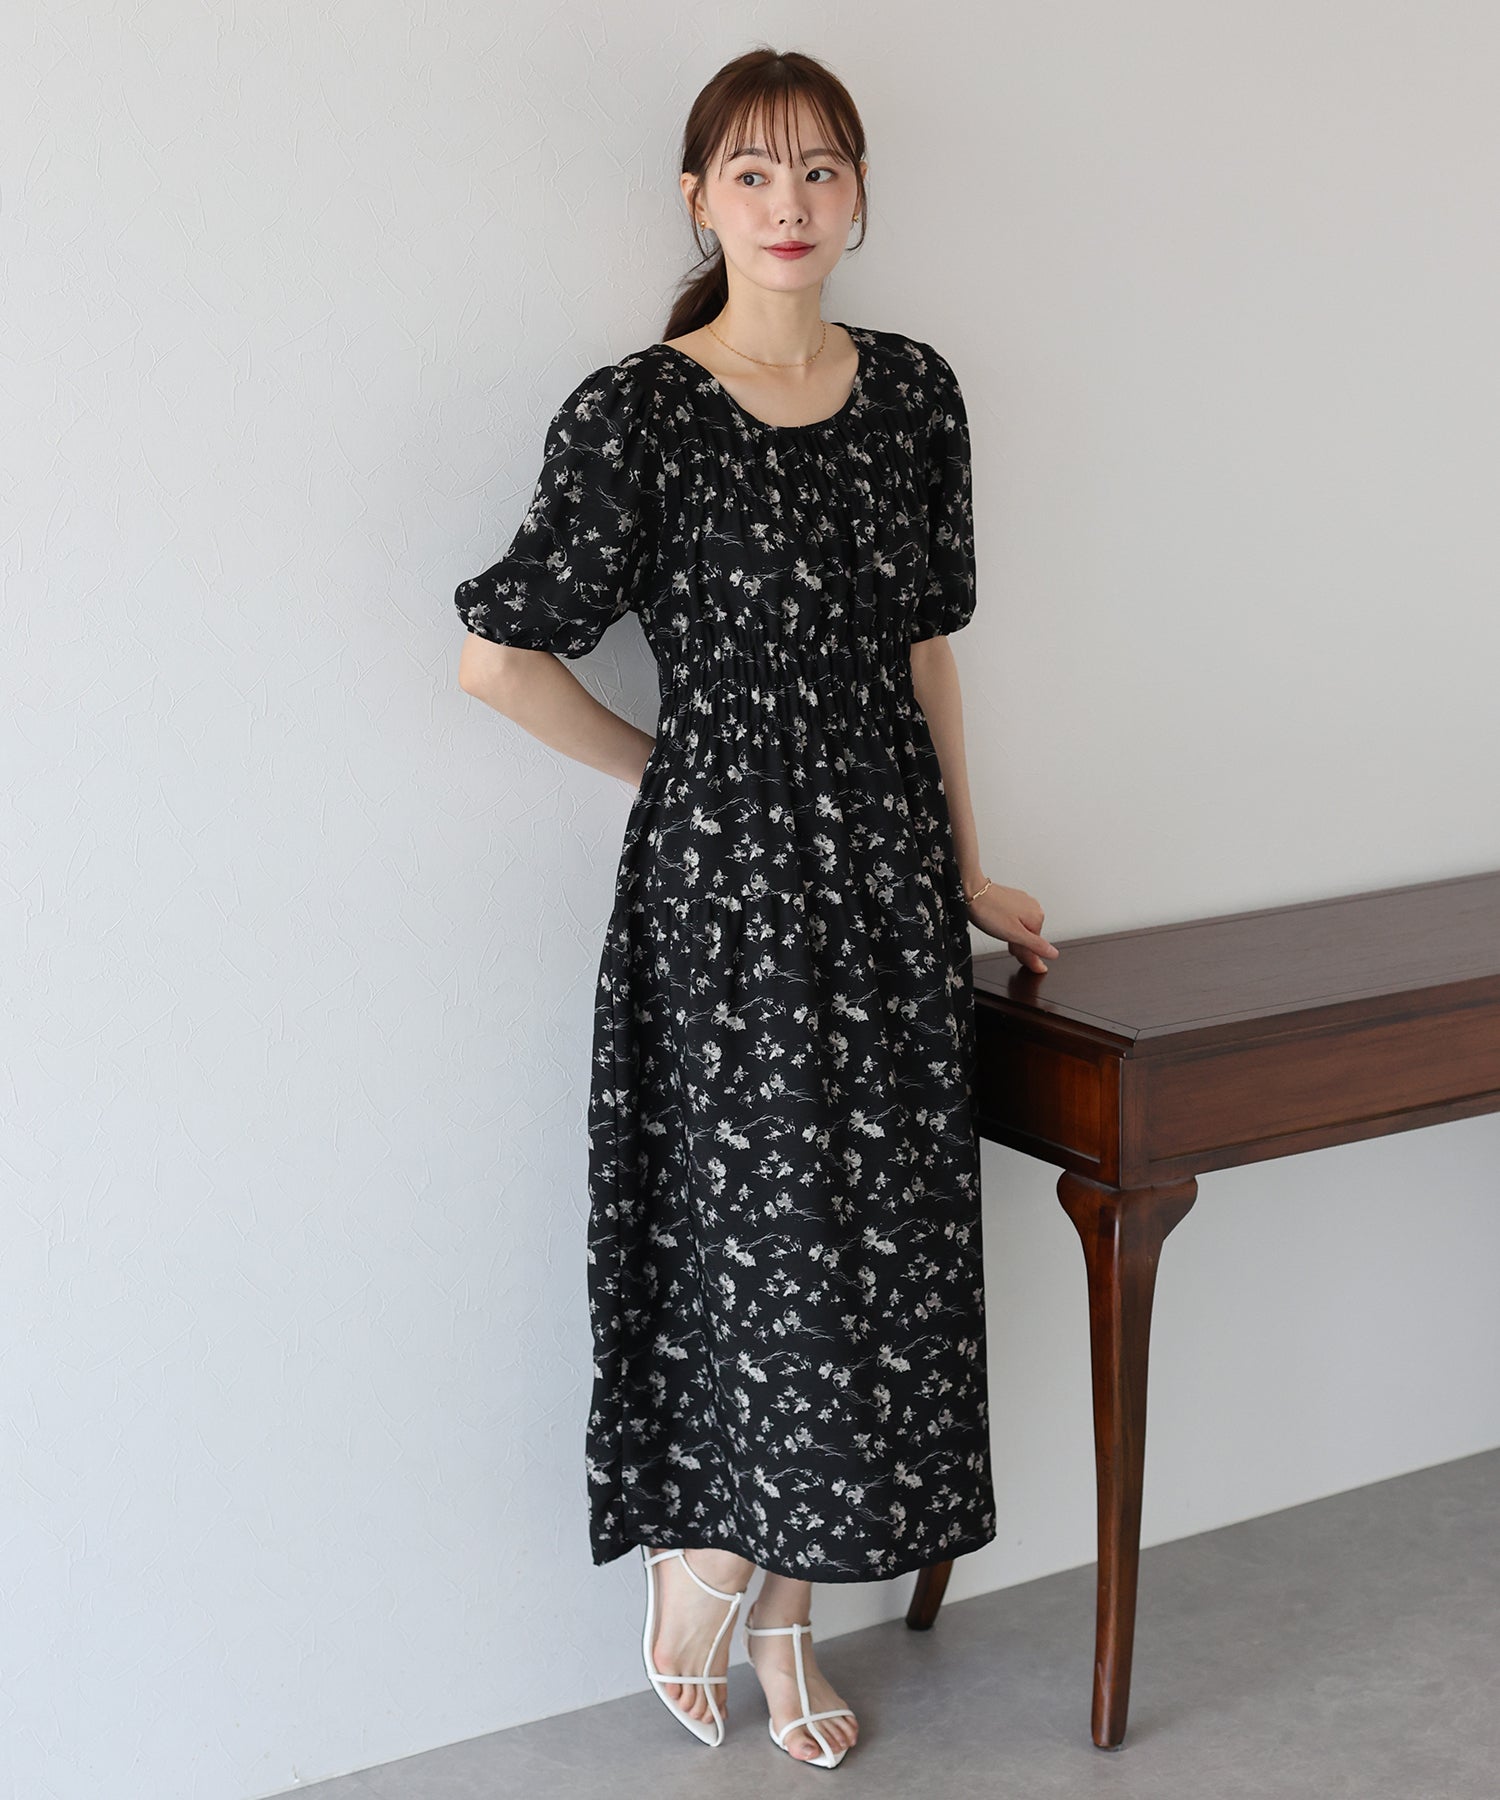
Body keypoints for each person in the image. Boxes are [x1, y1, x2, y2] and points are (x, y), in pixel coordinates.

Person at [455, 45, 1059, 1769]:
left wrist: (966, 867)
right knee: (767, 1251)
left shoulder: (918, 390)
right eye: (752, 171)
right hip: (726, 905)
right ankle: (706, 1564)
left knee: (878, 1256)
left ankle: (787, 1626)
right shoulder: (638, 411)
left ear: (858, 194)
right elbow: (499, 661)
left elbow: (926, 652)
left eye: (819, 169)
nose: (788, 203)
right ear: (698, 198)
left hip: (885, 888)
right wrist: (679, 776)